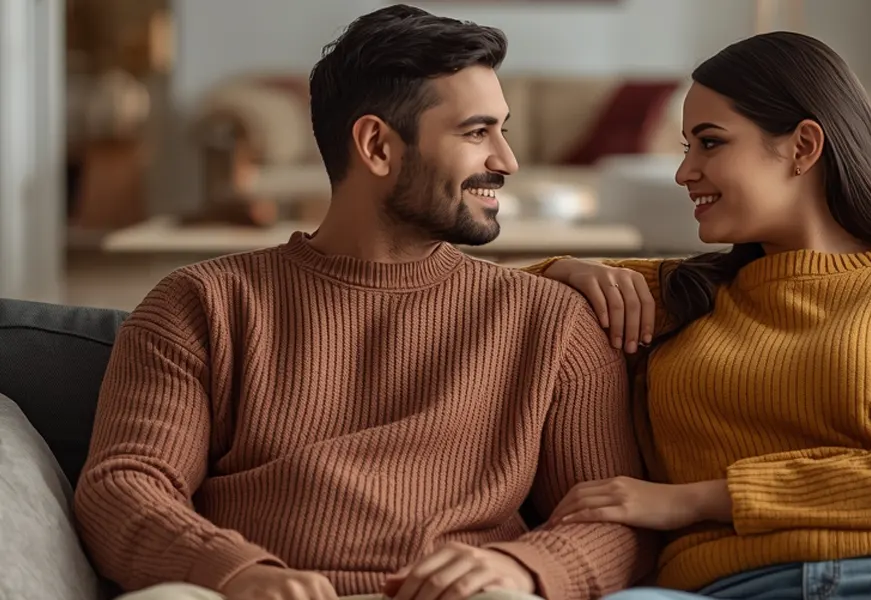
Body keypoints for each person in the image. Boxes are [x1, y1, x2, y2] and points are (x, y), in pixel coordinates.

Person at [73, 5, 656, 600]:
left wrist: (524, 569)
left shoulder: (552, 320)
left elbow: (615, 518)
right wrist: (238, 573)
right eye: (477, 132)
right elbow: (124, 485)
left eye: (501, 130)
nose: (506, 160)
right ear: (377, 145)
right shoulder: (201, 303)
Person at [523, 32, 871, 600]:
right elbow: (463, 292)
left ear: (803, 147)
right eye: (686, 147)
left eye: (709, 143)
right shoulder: (676, 293)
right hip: (730, 586)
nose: (684, 172)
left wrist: (694, 499)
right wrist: (565, 269)